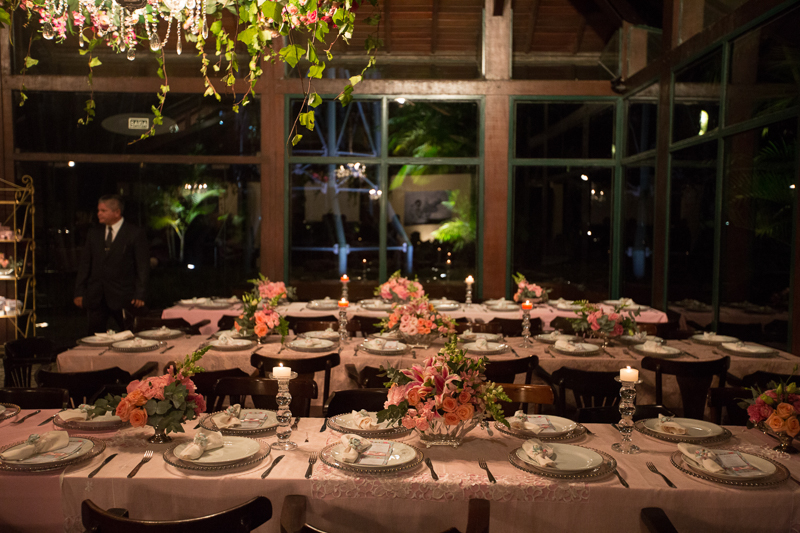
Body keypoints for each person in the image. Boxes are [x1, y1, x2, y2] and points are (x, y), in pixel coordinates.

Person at [74, 195, 150, 334]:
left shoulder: (134, 233)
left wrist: (140, 293)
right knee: (94, 334)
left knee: (130, 333)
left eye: (103, 211)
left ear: (117, 212)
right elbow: (85, 264)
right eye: (99, 210)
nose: (99, 214)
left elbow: (142, 266)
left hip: (123, 295)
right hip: (97, 295)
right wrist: (79, 291)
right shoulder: (94, 233)